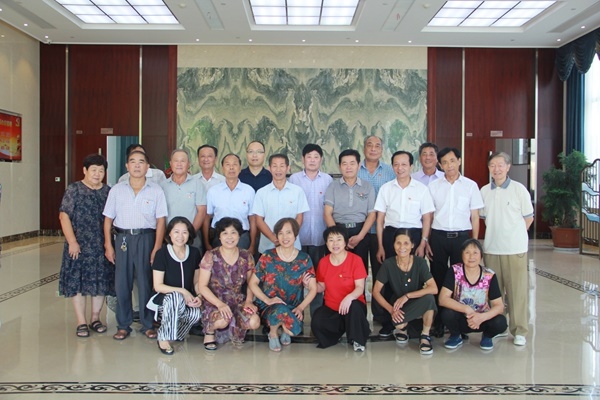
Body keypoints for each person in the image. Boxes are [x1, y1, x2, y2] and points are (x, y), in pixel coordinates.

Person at [103, 150, 167, 341]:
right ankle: (123, 325)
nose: (137, 165)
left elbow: (161, 221)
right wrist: (108, 245)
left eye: (141, 162)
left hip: (146, 238)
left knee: (146, 283)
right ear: (127, 166)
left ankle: (148, 324)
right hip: (122, 239)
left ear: (147, 167)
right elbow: (108, 219)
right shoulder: (117, 190)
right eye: (133, 161)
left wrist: (157, 247)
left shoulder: (156, 190)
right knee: (122, 284)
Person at [427, 147, 483, 337]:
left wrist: (474, 243)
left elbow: (475, 216)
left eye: (452, 161)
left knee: (461, 281)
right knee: (438, 277)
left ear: (459, 161)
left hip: (462, 238)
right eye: (444, 162)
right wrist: (427, 240)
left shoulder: (470, 185)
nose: (449, 165)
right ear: (440, 165)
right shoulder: (433, 186)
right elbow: (429, 216)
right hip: (438, 237)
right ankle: (438, 322)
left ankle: (459, 323)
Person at [480, 152, 534, 346]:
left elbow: (528, 218)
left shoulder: (519, 190)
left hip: (514, 250)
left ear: (508, 167)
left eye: (500, 165)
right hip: (492, 249)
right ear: (489, 168)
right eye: (492, 165)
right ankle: (499, 327)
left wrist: (515, 235)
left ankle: (519, 330)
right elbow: (485, 218)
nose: (496, 169)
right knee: (495, 293)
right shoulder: (484, 191)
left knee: (517, 291)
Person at [59, 153, 114, 338]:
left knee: (100, 282)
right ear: (85, 170)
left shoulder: (108, 192)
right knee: (79, 282)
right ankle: (81, 321)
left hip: (101, 245)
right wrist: (72, 242)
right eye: (94, 170)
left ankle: (95, 318)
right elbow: (64, 216)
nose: (97, 174)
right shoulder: (74, 189)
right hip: (79, 245)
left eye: (101, 171)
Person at [248, 218, 318, 352]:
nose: (285, 237)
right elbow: (253, 283)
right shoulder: (268, 256)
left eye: (288, 232)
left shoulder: (304, 259)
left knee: (293, 330)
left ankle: (285, 327)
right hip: (270, 306)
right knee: (279, 310)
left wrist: (300, 307)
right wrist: (267, 300)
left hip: (293, 307)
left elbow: (313, 288)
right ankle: (273, 333)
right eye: (280, 233)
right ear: (277, 236)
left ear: (295, 235)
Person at [197, 217, 260, 350]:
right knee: (222, 320)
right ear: (219, 237)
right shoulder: (211, 255)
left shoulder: (246, 256)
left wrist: (249, 301)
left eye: (233, 233)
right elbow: (202, 286)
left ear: (239, 235)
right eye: (225, 233)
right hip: (214, 300)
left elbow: (251, 283)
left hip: (237, 300)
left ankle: (234, 327)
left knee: (254, 321)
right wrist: (219, 304)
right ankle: (210, 331)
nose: (229, 237)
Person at [372, 229, 438, 354]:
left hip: (417, 301)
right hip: (398, 305)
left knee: (429, 298)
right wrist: (391, 310)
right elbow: (376, 292)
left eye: (406, 243)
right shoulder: (388, 264)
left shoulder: (420, 262)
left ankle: (425, 336)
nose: (402, 247)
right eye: (398, 243)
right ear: (393, 245)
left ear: (412, 245)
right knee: (399, 324)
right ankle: (404, 329)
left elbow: (433, 288)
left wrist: (408, 296)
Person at [439, 239, 508, 351]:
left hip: (482, 319)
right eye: (467, 252)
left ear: (481, 256)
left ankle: (487, 336)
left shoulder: (489, 275)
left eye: (475, 253)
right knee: (447, 314)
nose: (471, 256)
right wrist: (466, 309)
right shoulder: (454, 271)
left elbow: (499, 306)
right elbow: (442, 299)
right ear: (462, 255)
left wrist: (482, 317)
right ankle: (456, 335)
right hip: (461, 318)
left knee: (501, 322)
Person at [288, 143, 332, 316]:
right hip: (298, 237)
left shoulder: (327, 180)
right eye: (309, 157)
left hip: (320, 237)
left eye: (316, 157)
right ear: (303, 159)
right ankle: (295, 316)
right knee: (296, 277)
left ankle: (317, 315)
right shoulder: (294, 179)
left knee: (317, 278)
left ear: (321, 159)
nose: (312, 160)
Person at [311, 226, 371, 352]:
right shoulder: (323, 262)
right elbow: (321, 287)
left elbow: (360, 287)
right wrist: (310, 285)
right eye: (331, 240)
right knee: (317, 320)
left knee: (354, 306)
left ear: (345, 242)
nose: (335, 243)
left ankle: (357, 339)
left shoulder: (356, 260)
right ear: (326, 243)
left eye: (339, 239)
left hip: (353, 307)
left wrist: (349, 297)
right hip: (332, 308)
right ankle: (335, 335)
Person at [149, 217, 202, 355]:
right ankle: (163, 337)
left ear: (189, 234)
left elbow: (197, 282)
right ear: (170, 234)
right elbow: (158, 286)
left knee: (196, 313)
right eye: (176, 232)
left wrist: (199, 296)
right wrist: (183, 291)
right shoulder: (162, 254)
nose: (180, 236)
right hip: (165, 301)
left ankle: (175, 334)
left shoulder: (194, 253)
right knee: (175, 297)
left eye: (184, 232)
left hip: (186, 300)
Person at [357, 135, 395, 322]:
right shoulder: (355, 169)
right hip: (360, 232)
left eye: (377, 146)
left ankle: (381, 315)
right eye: (369, 145)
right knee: (358, 274)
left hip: (382, 231)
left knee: (381, 274)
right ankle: (359, 314)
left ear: (382, 149)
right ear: (364, 148)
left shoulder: (390, 172)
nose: (373, 148)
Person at [375, 150, 434, 262]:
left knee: (414, 269)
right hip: (390, 235)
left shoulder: (422, 189)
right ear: (392, 167)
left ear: (411, 166)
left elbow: (427, 218)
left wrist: (423, 244)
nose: (400, 168)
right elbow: (380, 220)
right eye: (396, 164)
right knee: (391, 269)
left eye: (404, 164)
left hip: (414, 235)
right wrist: (380, 246)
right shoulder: (385, 189)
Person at [324, 149, 376, 271]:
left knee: (359, 270)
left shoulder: (367, 186)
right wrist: (338, 238)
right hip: (338, 230)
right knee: (336, 270)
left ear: (358, 165)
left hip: (361, 232)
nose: (348, 167)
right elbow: (327, 213)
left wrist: (360, 237)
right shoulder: (333, 186)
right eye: (344, 164)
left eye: (352, 163)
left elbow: (372, 214)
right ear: (340, 166)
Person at [252, 153, 309, 255]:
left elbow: (299, 218)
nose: (278, 170)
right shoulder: (261, 193)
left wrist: (289, 237)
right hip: (268, 246)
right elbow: (259, 220)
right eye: (275, 166)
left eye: (282, 166)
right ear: (269, 168)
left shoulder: (297, 191)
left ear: (288, 168)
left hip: (292, 246)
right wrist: (274, 239)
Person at [203, 153, 256, 252]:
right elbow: (207, 217)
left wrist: (253, 245)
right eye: (227, 164)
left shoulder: (249, 191)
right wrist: (206, 243)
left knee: (242, 261)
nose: (231, 168)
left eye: (235, 164)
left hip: (242, 236)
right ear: (222, 168)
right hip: (219, 236)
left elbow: (252, 219)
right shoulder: (213, 191)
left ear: (240, 168)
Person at [160, 149, 207, 251]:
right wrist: (166, 235)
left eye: (183, 161)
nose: (179, 164)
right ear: (171, 164)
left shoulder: (197, 183)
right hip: (169, 237)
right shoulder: (163, 186)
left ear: (188, 164)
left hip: (193, 236)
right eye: (176, 161)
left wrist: (189, 234)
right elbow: (160, 214)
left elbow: (202, 211)